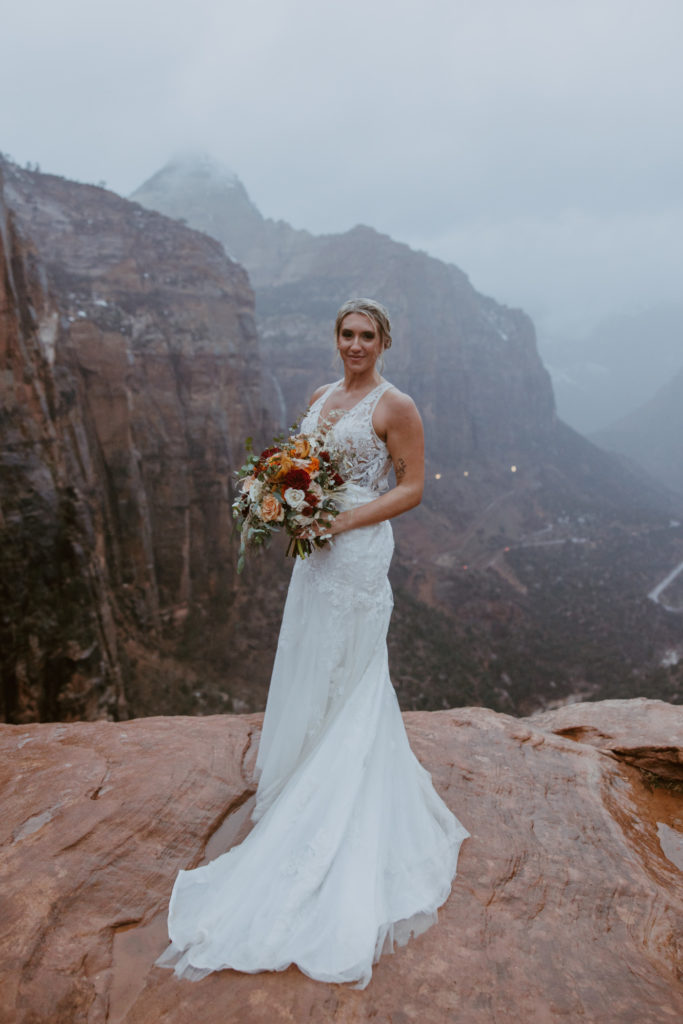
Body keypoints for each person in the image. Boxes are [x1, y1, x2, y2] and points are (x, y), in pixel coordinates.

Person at [156, 298, 469, 989]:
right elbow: (300, 463)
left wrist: (345, 521)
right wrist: (280, 498)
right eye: (346, 335)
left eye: (366, 336)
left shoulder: (397, 406)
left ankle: (336, 800)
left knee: (351, 674)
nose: (355, 345)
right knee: (307, 661)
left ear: (383, 342)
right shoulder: (319, 394)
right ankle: (301, 780)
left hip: (354, 557)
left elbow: (414, 488)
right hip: (313, 557)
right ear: (335, 340)